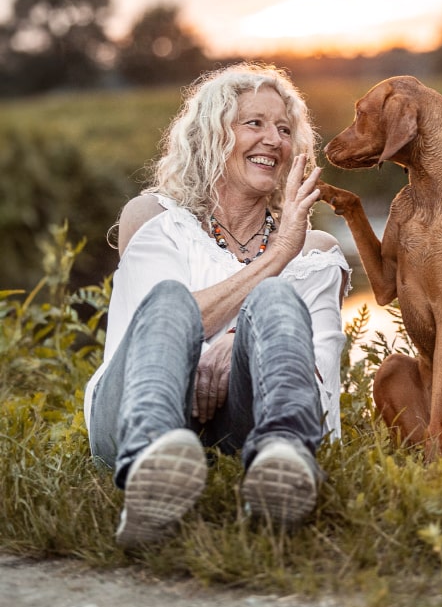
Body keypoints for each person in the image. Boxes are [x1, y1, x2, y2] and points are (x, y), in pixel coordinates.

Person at [83, 62, 350, 547]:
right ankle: (151, 470)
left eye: (285, 129)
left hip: (239, 423)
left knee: (275, 298)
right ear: (211, 135)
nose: (274, 139)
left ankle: (283, 465)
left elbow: (318, 384)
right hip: (129, 413)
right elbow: (158, 338)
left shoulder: (317, 252)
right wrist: (277, 256)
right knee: (170, 300)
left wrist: (240, 340)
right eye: (254, 123)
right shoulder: (157, 221)